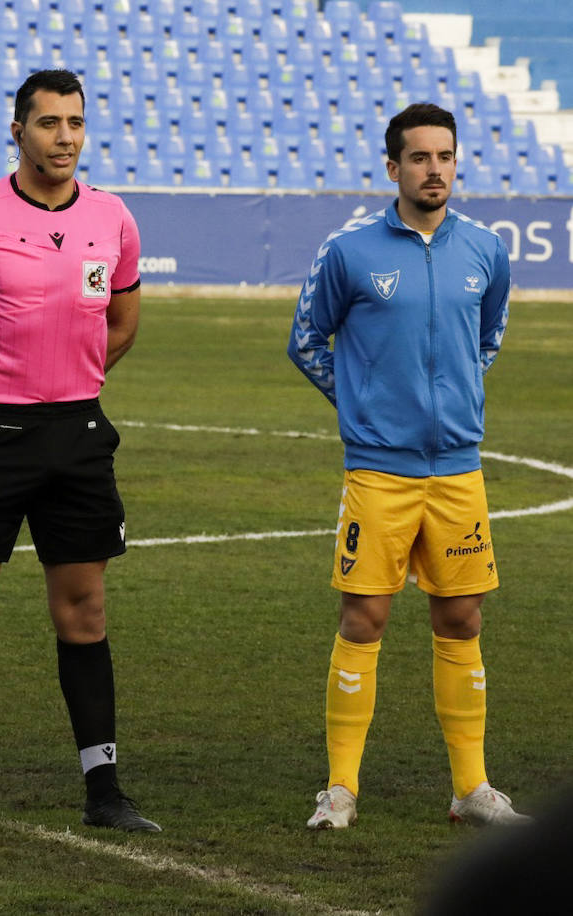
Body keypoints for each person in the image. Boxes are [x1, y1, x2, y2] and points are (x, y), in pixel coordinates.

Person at [0, 69, 158, 836]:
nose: (66, 138)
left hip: (77, 438)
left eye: (76, 122)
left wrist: (69, 387)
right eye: (49, 123)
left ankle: (104, 789)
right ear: (18, 132)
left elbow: (126, 321)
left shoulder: (113, 218)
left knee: (84, 611)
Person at [288, 103, 523, 830]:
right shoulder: (350, 250)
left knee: (462, 615)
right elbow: (307, 340)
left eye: (445, 156)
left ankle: (471, 789)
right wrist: (366, 408)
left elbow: (486, 340)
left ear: (457, 162)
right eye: (419, 158)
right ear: (393, 168)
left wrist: (447, 404)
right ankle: (341, 789)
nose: (435, 170)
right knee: (365, 617)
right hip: (379, 472)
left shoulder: (485, 250)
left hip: (457, 471)